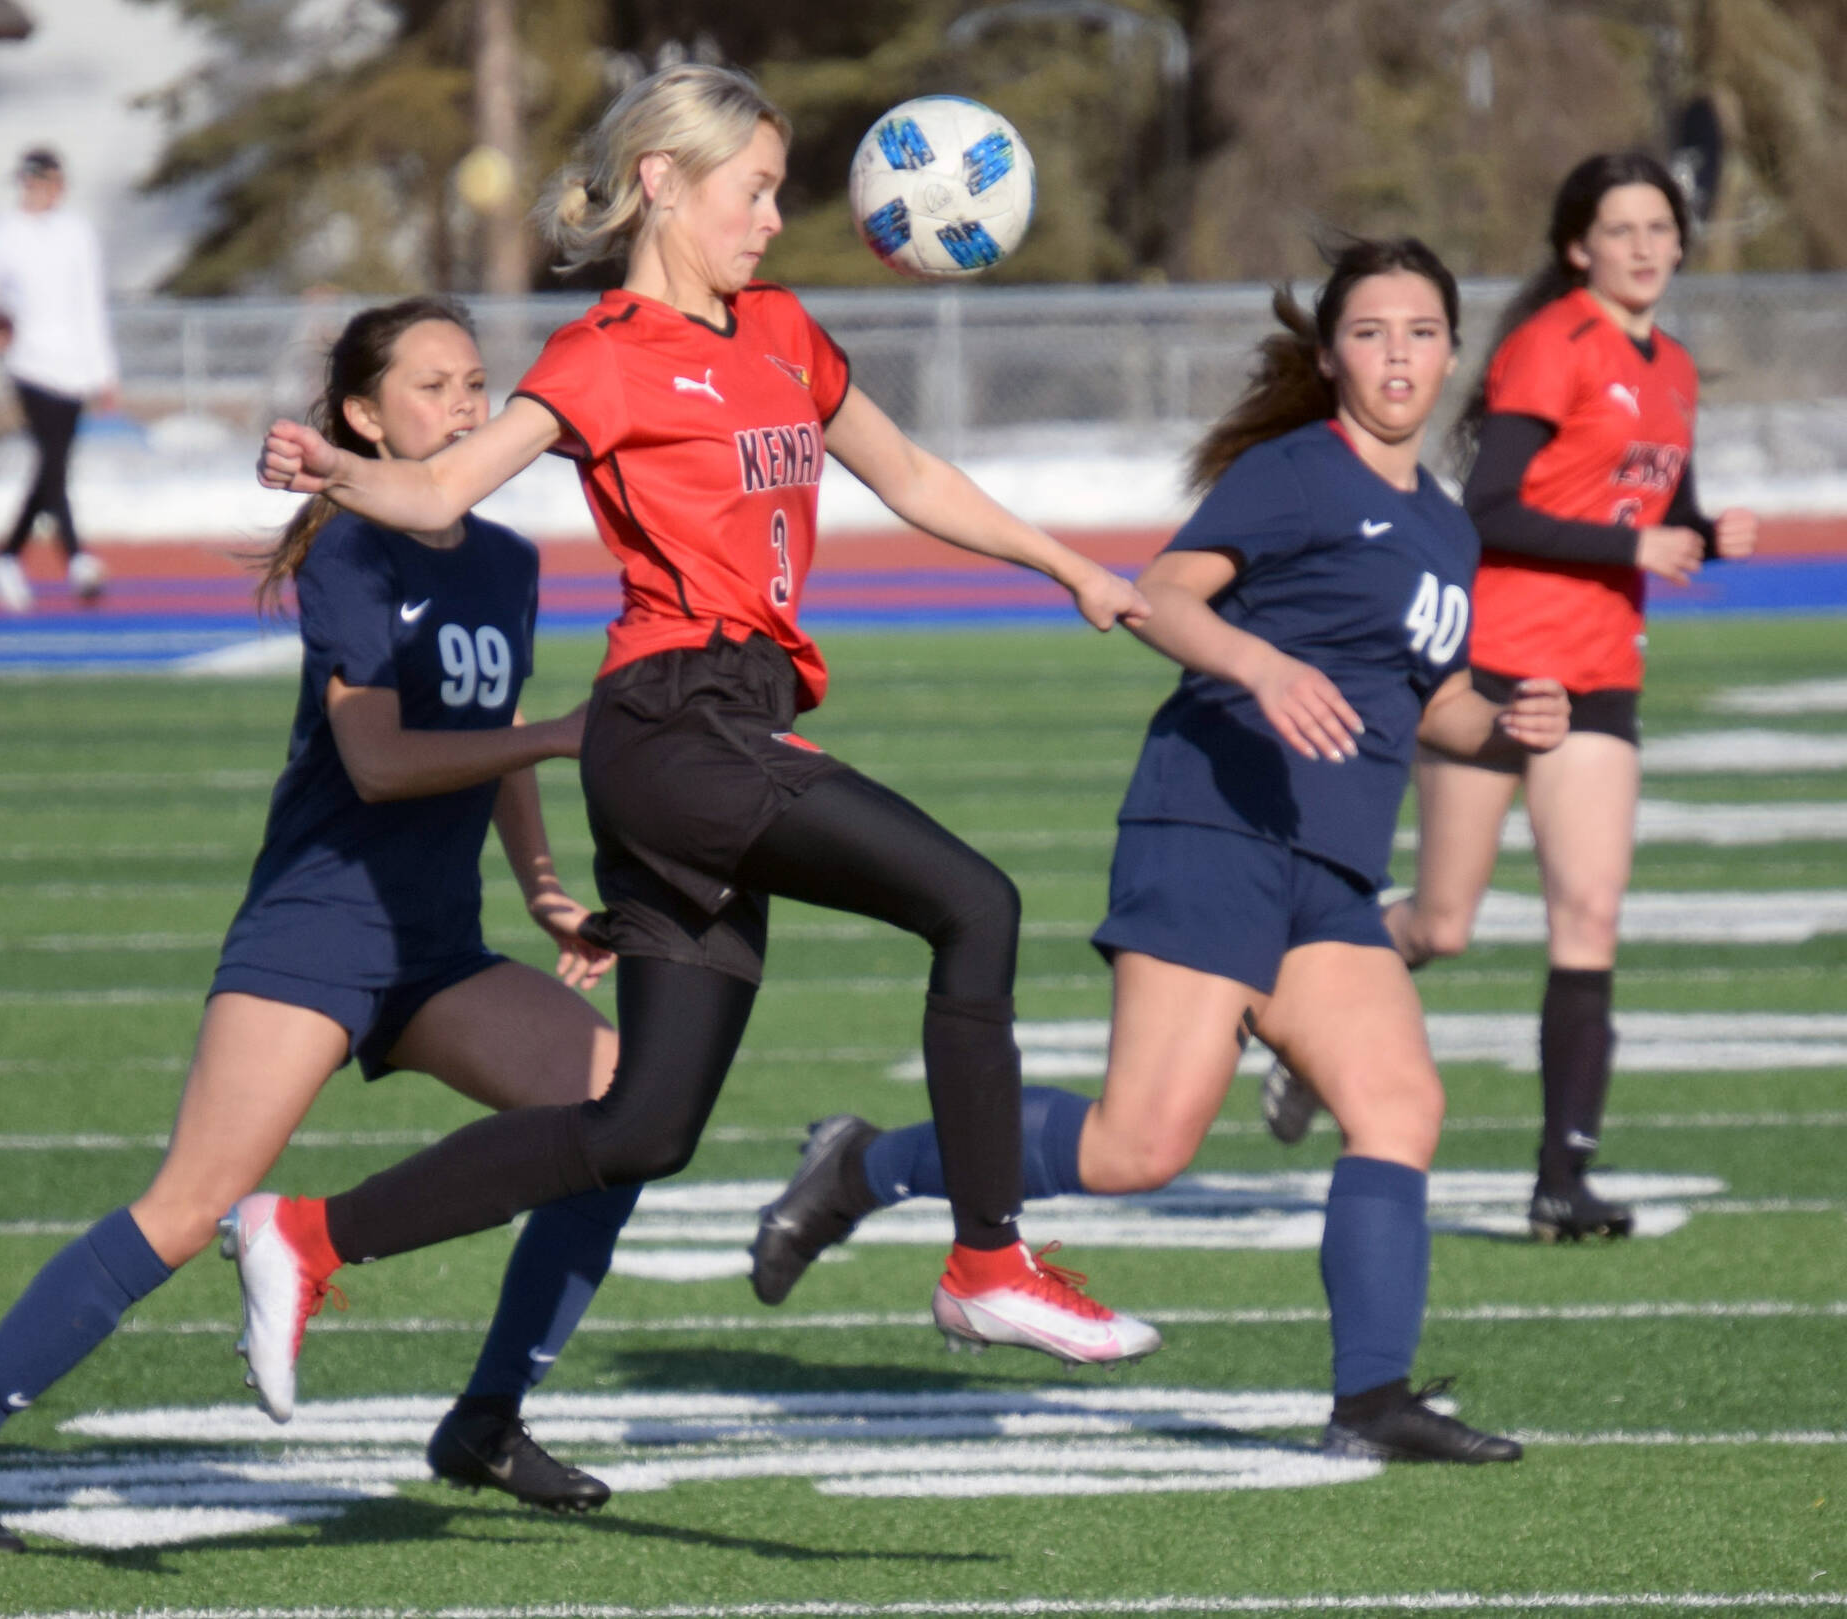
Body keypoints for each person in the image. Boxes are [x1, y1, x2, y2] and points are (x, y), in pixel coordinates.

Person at [238, 62, 1161, 1403]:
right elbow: (439, 478)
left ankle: (309, 1231)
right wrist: (338, 467)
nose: (775, 218)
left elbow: (907, 475)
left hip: (707, 739)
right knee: (977, 901)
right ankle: (987, 1259)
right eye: (756, 189)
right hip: (676, 727)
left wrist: (1066, 563)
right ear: (663, 183)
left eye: (781, 191)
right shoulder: (603, 354)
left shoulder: (780, 329)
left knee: (641, 1125)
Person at [751, 238, 1566, 1464]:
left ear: (1452, 352)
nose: (1396, 355)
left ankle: (1371, 1400)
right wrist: (1260, 660)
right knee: (1139, 1146)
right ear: (1331, 355)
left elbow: (1433, 705)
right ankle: (865, 1162)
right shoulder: (1294, 474)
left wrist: (1508, 726)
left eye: (1418, 332)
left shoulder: (1444, 531)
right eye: (1369, 332)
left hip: (1325, 866)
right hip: (1212, 824)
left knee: (1398, 1103)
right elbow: (1160, 594)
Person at [0, 297, 635, 1552]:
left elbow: (488, 740)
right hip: (322, 928)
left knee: (626, 1114)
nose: (465, 406)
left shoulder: (506, 558)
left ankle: (487, 1417)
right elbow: (387, 761)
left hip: (436, 944)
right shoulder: (349, 550)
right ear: (361, 416)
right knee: (192, 1205)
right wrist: (567, 730)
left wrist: (546, 885)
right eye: (433, 387)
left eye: (475, 384)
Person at [1260, 155, 1758, 1243]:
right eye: (1618, 230)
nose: (1641, 246)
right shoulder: (1548, 345)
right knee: (1441, 922)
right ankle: (1300, 1012)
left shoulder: (1667, 360)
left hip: (1602, 672)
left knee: (1588, 915)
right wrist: (1636, 540)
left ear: (1678, 243)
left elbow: (1659, 493)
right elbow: (1491, 505)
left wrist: (1704, 532)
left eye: (1656, 228)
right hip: (1495, 668)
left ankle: (1558, 1177)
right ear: (1576, 246)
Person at [0, 147, 119, 612]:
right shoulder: (2, 237)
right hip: (30, 364)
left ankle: (6, 556)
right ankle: (77, 558)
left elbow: (90, 306)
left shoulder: (76, 234)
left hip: (73, 368)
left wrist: (104, 372)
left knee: (54, 465)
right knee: (53, 460)